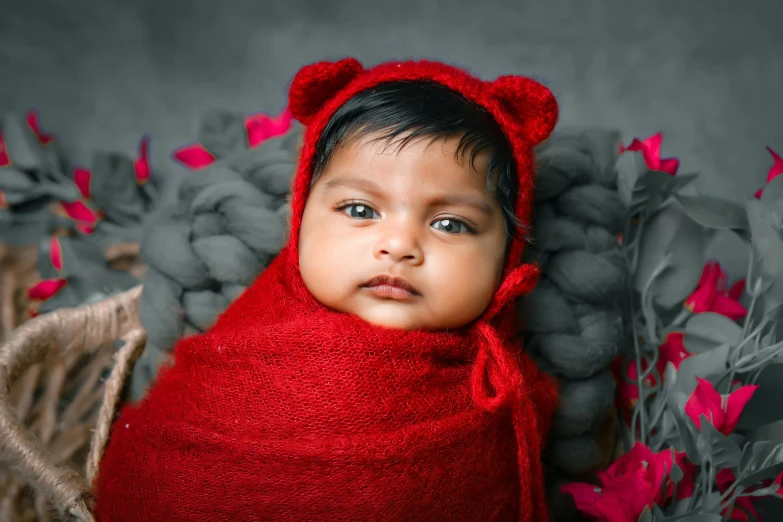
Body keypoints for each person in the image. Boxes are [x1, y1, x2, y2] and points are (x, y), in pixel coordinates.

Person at [94, 57, 560, 521]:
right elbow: (158, 469)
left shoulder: (499, 397)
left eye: (450, 223)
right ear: (300, 217)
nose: (399, 247)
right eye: (360, 211)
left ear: (507, 255)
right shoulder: (240, 356)